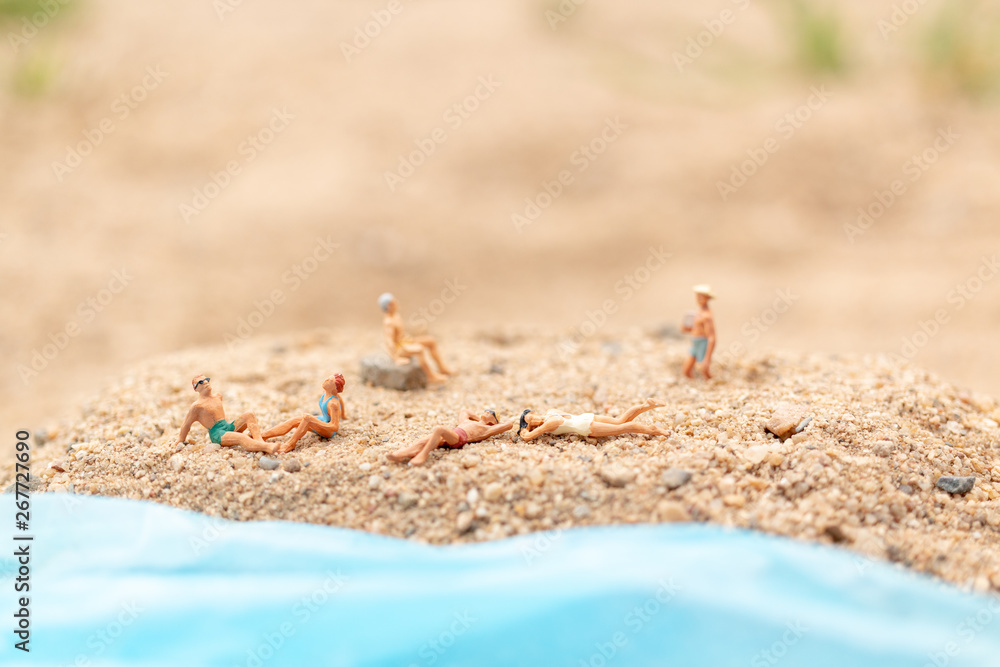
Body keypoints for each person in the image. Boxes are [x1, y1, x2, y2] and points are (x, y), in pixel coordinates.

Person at [176, 375, 277, 453]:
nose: (206, 382)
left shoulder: (218, 396)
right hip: (218, 434)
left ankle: (259, 442)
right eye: (201, 382)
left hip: (227, 426)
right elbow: (186, 424)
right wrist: (180, 440)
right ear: (196, 389)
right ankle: (267, 447)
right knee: (242, 438)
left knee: (249, 414)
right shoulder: (197, 406)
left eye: (207, 379)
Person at [388, 409, 512, 466]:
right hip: (453, 433)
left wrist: (494, 423)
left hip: (459, 437)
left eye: (491, 413)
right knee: (425, 439)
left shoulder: (486, 429)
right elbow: (464, 411)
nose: (487, 412)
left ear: (493, 421)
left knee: (439, 429)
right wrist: (479, 418)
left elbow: (509, 424)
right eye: (487, 410)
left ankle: (423, 455)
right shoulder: (467, 422)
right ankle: (403, 453)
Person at [263, 373, 346, 454]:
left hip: (328, 431)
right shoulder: (328, 394)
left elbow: (335, 427)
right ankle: (264, 435)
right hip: (323, 419)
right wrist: (343, 415)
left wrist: (312, 420)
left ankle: (290, 444)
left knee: (307, 419)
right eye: (327, 378)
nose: (326, 380)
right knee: (294, 420)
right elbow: (340, 399)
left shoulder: (333, 403)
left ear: (335, 388)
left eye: (329, 381)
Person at [379, 292, 452, 382]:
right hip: (399, 348)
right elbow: (389, 341)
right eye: (393, 303)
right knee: (420, 349)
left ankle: (442, 368)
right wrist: (396, 358)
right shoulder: (389, 323)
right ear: (388, 307)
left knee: (431, 341)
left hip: (404, 341)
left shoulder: (396, 315)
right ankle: (430, 376)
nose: (396, 303)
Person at [517, 398, 669, 440]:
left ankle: (653, 430)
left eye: (532, 417)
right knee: (620, 420)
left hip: (585, 427)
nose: (534, 420)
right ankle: (645, 405)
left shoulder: (549, 422)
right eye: (531, 422)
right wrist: (527, 427)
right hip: (585, 417)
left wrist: (524, 431)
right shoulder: (551, 412)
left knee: (621, 427)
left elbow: (529, 436)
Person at [681, 284, 716, 379]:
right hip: (695, 343)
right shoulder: (699, 311)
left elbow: (711, 337)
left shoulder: (707, 315)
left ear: (707, 298)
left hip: (702, 343)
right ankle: (693, 384)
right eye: (698, 296)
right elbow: (697, 328)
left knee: (704, 369)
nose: (699, 298)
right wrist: (687, 328)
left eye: (701, 296)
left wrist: (707, 358)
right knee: (686, 370)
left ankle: (713, 383)